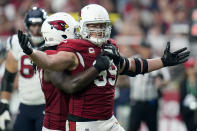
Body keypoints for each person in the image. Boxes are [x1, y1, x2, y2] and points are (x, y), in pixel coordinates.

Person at [17, 4, 190, 131]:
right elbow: (51, 62)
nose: (99, 31)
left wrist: (163, 61)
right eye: (94, 26)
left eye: (102, 26)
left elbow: (133, 66)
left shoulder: (109, 47)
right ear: (82, 27)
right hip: (85, 123)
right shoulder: (74, 49)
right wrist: (31, 52)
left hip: (109, 120)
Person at [39, 12, 112, 131]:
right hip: (57, 125)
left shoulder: (59, 54)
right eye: (75, 31)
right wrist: (97, 67)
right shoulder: (52, 56)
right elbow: (69, 86)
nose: (78, 35)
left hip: (68, 122)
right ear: (62, 33)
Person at [0, 7, 47, 131]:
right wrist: (4, 103)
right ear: (27, 25)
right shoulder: (16, 42)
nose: (36, 29)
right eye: (32, 25)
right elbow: (9, 76)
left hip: (47, 106)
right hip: (24, 105)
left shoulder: (52, 43)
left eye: (39, 24)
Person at [128, 41, 170, 131]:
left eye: (147, 49)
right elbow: (124, 73)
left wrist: (161, 82)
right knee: (132, 127)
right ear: (140, 49)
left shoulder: (157, 61)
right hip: (136, 102)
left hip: (151, 102)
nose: (146, 51)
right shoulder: (133, 60)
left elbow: (167, 80)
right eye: (144, 49)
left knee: (153, 127)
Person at [180, 58, 197, 131]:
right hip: (188, 113)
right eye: (189, 68)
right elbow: (181, 99)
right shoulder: (183, 83)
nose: (191, 70)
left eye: (192, 67)